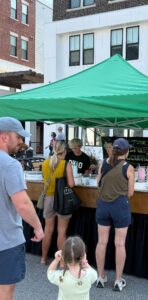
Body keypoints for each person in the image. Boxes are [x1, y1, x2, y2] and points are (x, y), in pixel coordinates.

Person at [0, 117, 44, 300]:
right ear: (4, 137)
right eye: (18, 136)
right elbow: (23, 203)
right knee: (5, 290)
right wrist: (38, 227)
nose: (21, 141)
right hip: (6, 240)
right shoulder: (9, 165)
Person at [95, 138, 134, 292]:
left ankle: (100, 277)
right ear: (126, 151)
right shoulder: (128, 167)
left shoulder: (103, 163)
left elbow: (98, 184)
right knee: (119, 244)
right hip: (120, 207)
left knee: (101, 242)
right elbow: (130, 192)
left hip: (103, 205)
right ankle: (118, 280)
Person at [41, 141, 75, 265]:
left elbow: (44, 180)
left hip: (48, 199)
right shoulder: (66, 164)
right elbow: (71, 184)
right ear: (64, 151)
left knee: (48, 230)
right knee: (62, 231)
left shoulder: (45, 163)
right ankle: (62, 262)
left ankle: (43, 258)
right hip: (62, 200)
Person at [47, 236, 97, 300]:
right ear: (83, 255)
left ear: (64, 258)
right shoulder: (90, 274)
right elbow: (93, 273)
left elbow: (50, 273)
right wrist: (84, 262)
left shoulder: (61, 277)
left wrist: (56, 260)